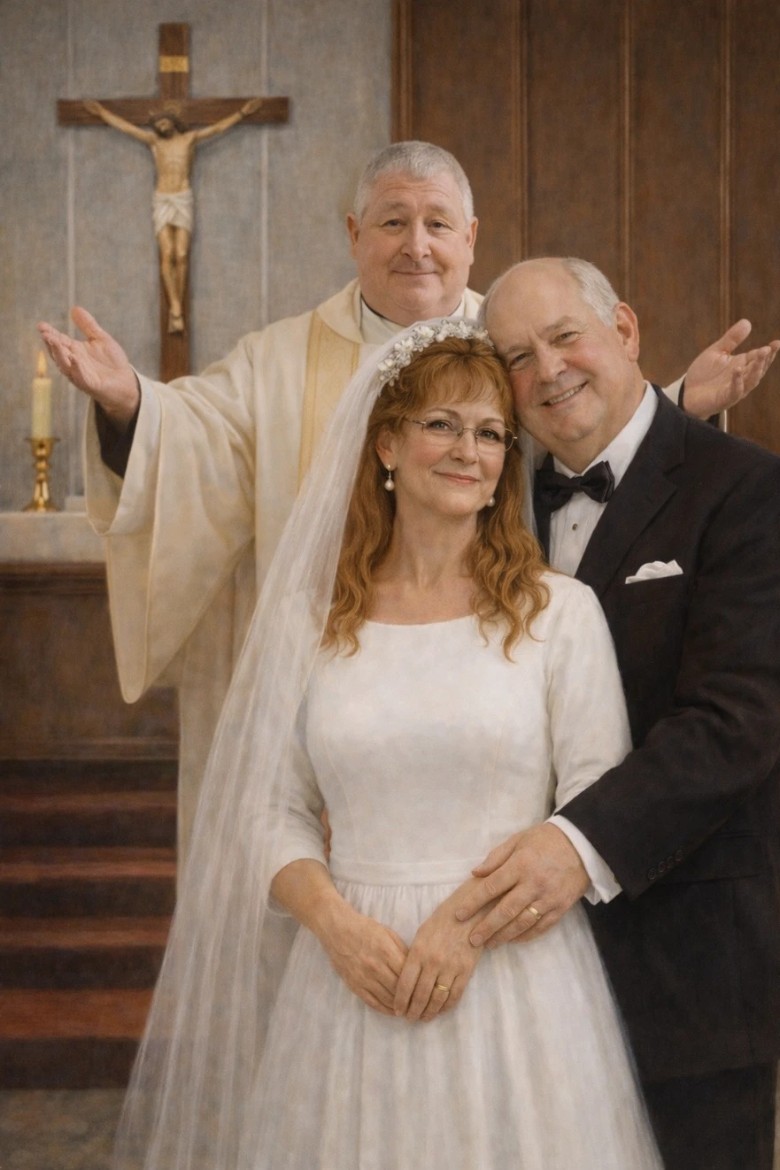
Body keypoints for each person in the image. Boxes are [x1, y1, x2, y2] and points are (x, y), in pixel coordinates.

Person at [37, 141, 779, 866]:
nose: (416, 246)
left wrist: (672, 402)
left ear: (472, 238)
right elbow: (199, 443)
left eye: (438, 223)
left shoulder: (515, 344)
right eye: (392, 222)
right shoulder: (276, 362)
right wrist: (131, 403)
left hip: (497, 710)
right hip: (341, 697)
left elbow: (585, 434)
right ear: (354, 235)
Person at [111, 318, 662, 1170]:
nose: (467, 450)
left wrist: (465, 933)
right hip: (349, 979)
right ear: (386, 447)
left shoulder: (560, 616)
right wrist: (333, 925)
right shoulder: (309, 621)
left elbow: (593, 807)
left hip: (514, 979)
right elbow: (268, 807)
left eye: (489, 434)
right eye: (441, 424)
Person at [450, 256, 780, 1170]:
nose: (547, 371)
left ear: (625, 331)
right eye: (517, 356)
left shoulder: (747, 490)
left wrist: (574, 846)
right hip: (517, 973)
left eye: (566, 337)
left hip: (690, 962)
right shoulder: (486, 498)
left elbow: (740, 720)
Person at [84, 98, 265, 333]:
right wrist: (102, 113)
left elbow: (217, 128)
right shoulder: (153, 142)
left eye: (164, 121)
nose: (160, 126)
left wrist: (242, 113)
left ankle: (177, 308)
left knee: (181, 254)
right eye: (157, 123)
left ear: (173, 122)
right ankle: (176, 309)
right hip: (162, 199)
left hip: (182, 197)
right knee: (167, 253)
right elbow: (126, 127)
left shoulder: (188, 140)